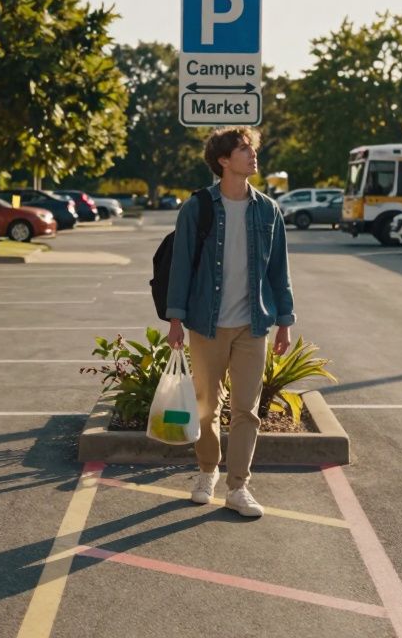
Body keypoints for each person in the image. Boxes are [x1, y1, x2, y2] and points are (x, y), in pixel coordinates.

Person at [165, 126, 295, 518]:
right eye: (243, 149)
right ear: (223, 160)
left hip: (253, 324)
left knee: (246, 409)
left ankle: (238, 486)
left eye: (252, 148)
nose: (253, 155)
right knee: (206, 407)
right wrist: (175, 319)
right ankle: (207, 471)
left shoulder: (267, 210)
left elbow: (279, 270)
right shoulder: (198, 208)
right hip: (207, 323)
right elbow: (180, 265)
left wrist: (285, 320)